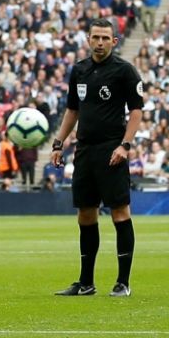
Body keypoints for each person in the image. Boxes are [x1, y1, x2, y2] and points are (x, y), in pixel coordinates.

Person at [46, 19, 144, 298]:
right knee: (85, 214)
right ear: (88, 39)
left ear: (115, 41)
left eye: (105, 38)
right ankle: (85, 282)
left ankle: (123, 282)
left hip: (112, 149)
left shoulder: (125, 72)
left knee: (119, 212)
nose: (100, 42)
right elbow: (72, 110)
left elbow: (136, 111)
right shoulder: (79, 71)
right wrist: (58, 143)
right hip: (84, 150)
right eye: (95, 37)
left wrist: (125, 145)